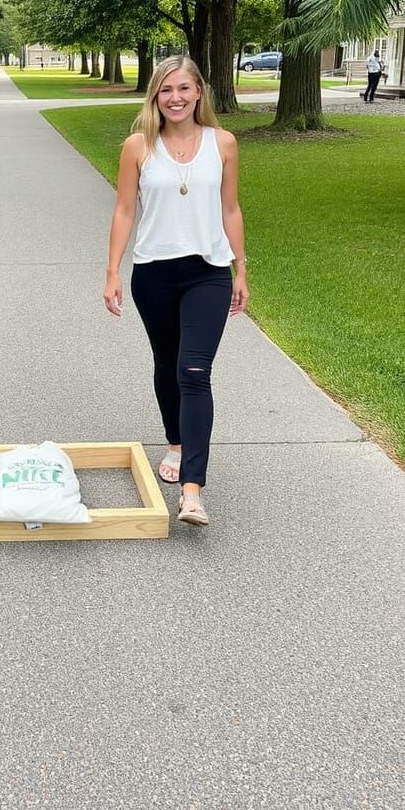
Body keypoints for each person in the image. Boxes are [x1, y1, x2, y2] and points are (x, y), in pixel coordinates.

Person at [104, 56, 248, 527]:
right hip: (154, 273)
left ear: (199, 92)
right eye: (167, 90)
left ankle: (192, 491)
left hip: (207, 271)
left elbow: (230, 209)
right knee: (167, 364)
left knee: (194, 370)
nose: (177, 98)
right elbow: (125, 210)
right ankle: (176, 441)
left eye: (185, 88)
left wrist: (240, 269)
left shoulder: (223, 143)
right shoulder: (138, 146)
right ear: (155, 96)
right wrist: (112, 271)